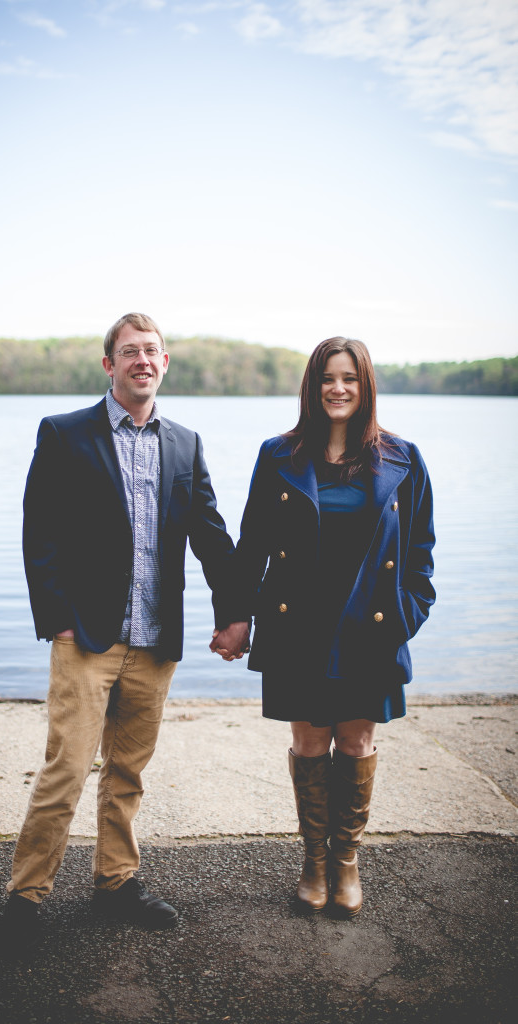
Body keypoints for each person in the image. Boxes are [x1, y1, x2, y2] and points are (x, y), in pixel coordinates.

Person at [1, 312, 249, 950]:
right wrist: (53, 617)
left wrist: (234, 614)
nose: (143, 360)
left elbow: (214, 540)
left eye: (153, 351)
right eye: (129, 351)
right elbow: (41, 532)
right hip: (86, 637)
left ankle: (115, 884)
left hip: (156, 638)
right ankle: (26, 899)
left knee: (128, 772)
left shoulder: (186, 444)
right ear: (109, 365)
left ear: (165, 364)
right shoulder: (64, 433)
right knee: (67, 770)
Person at [212, 337, 435, 917]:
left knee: (357, 741)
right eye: (327, 379)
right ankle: (314, 861)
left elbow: (421, 554)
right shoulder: (279, 454)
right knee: (310, 741)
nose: (338, 389)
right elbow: (252, 544)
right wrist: (236, 617)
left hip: (371, 630)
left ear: (365, 388)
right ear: (312, 388)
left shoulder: (402, 458)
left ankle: (346, 863)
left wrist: (406, 615)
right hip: (297, 630)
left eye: (349, 379)